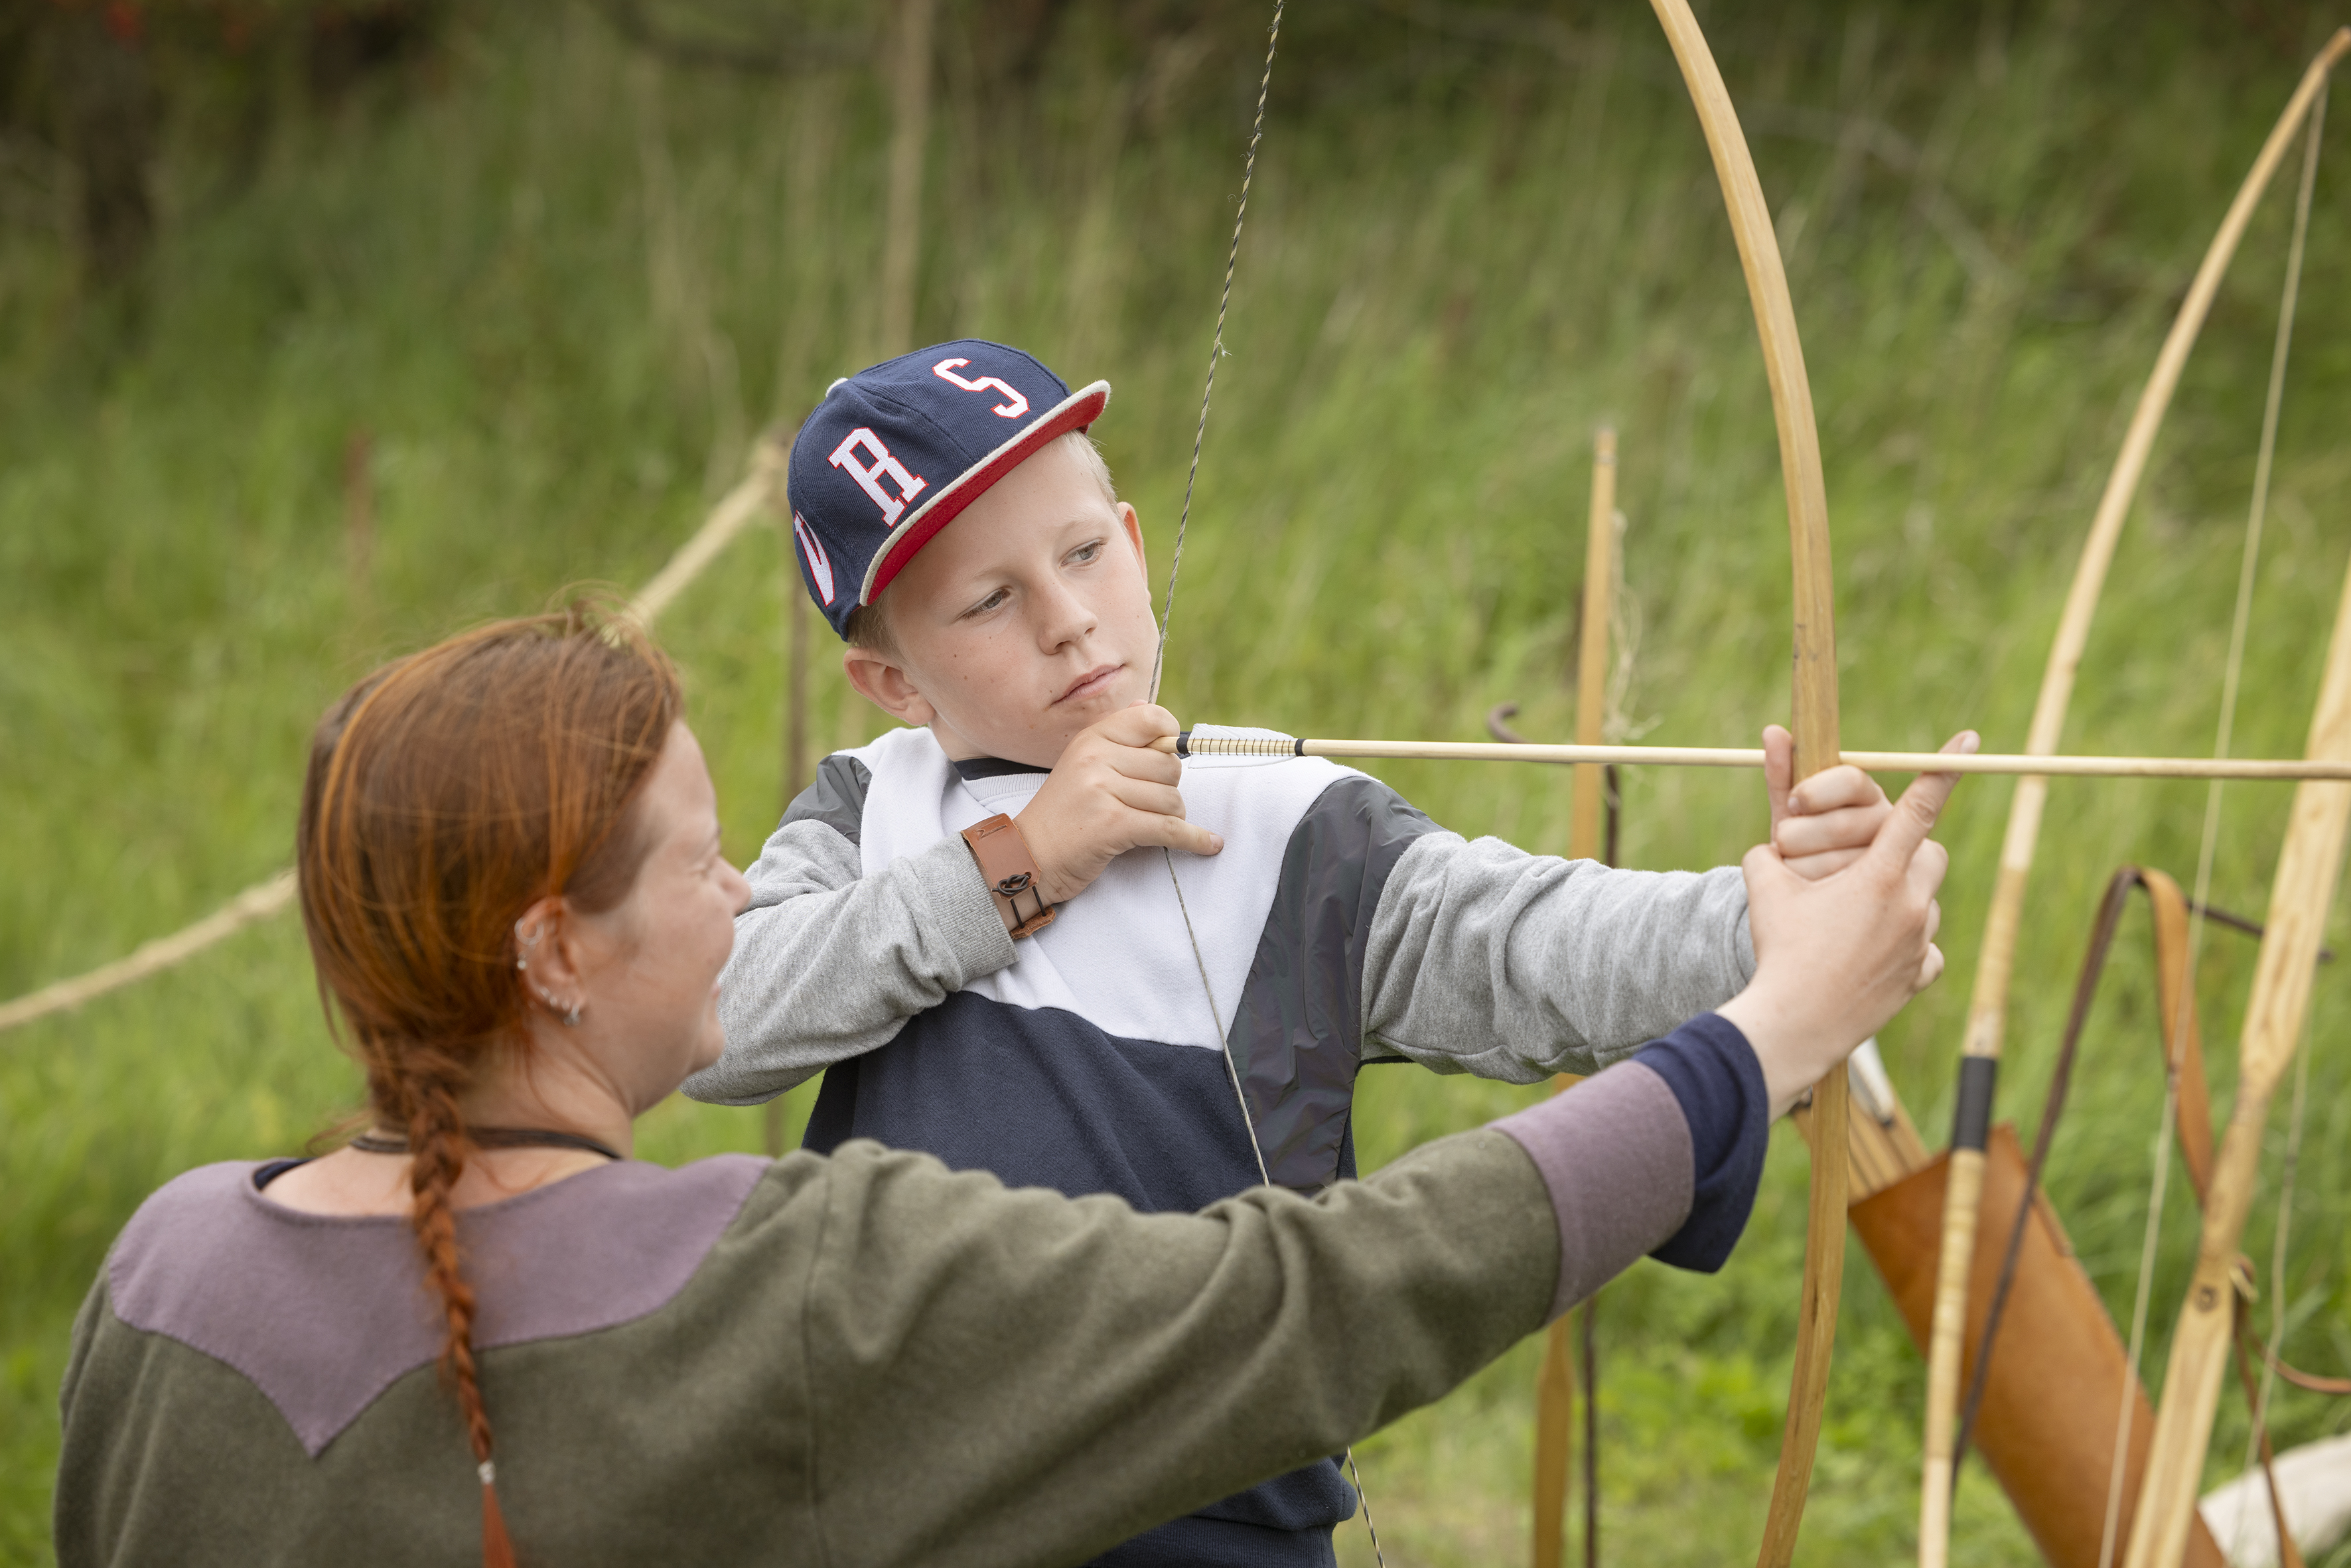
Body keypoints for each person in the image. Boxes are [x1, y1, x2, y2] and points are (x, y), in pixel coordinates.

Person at [55, 607, 1958, 1568]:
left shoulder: (157, 1282)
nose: (742, 897)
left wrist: (1724, 939)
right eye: (701, 866)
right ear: (555, 951)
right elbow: (1315, 1302)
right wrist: (1756, 1046)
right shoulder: (775, 1287)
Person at [689, 340, 1952, 1564]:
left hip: (1203, 1519)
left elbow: (1538, 951)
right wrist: (1020, 862)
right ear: (893, 682)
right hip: (897, 1509)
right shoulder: (870, 811)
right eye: (989, 600)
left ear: (1131, 541)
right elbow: (722, 1018)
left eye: (1081, 554)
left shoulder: (1289, 831)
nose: (1072, 622)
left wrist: (1774, 916)